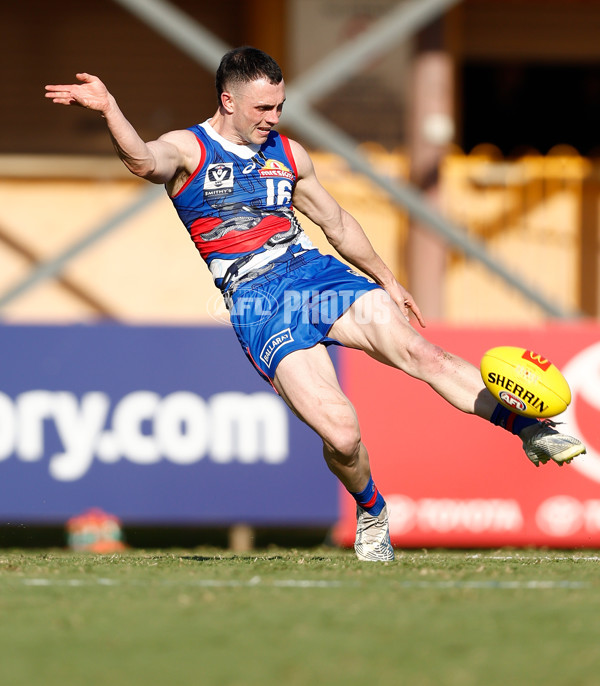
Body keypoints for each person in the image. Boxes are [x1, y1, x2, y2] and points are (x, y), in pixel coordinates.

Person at [45, 47, 586, 562]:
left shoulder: (287, 152)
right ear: (228, 100)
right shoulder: (188, 148)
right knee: (342, 434)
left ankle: (528, 431)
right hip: (257, 299)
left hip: (316, 274)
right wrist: (111, 109)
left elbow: (337, 224)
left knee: (423, 355)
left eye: (280, 106)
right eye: (263, 107)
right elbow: (143, 162)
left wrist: (386, 278)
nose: (273, 117)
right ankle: (373, 510)